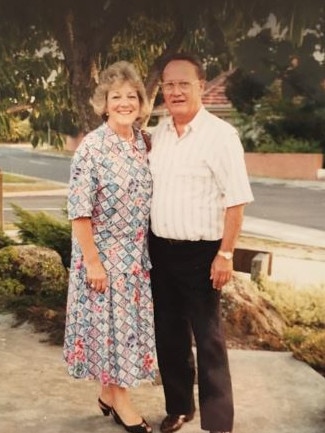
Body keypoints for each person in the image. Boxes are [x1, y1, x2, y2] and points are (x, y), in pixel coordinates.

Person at [148, 53, 254, 433]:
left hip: (202, 254)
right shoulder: (158, 134)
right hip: (159, 251)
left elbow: (236, 200)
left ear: (201, 87)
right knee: (169, 334)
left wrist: (225, 254)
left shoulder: (220, 136)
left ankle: (218, 422)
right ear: (162, 89)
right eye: (169, 84)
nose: (175, 91)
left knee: (208, 339)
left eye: (183, 84)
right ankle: (179, 408)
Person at [63, 61, 155, 433]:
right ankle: (122, 400)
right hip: (101, 256)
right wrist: (94, 262)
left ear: (141, 102)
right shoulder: (93, 147)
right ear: (103, 103)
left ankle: (107, 392)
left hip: (135, 257)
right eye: (115, 96)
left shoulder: (142, 143)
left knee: (123, 330)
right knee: (112, 331)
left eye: (131, 96)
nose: (124, 102)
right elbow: (79, 211)